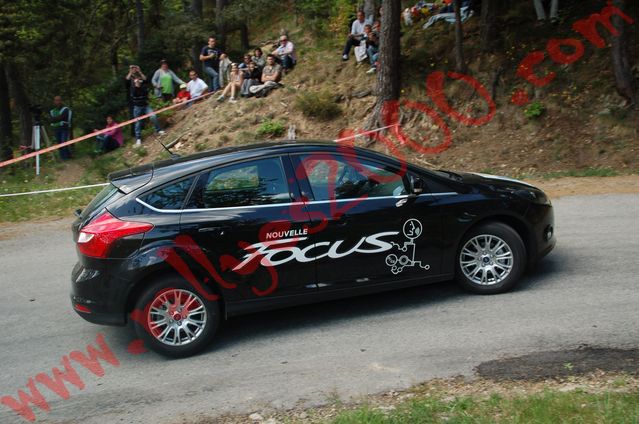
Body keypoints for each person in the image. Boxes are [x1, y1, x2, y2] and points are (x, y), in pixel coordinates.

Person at [130, 78, 165, 145]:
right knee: (138, 122)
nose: (138, 82)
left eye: (139, 81)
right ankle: (138, 138)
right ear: (134, 82)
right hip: (137, 107)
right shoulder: (132, 88)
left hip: (146, 106)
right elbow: (133, 94)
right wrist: (136, 86)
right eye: (136, 81)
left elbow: (146, 94)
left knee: (153, 116)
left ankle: (158, 130)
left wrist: (140, 85)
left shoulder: (143, 87)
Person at [125, 65, 146, 137]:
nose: (134, 69)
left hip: (140, 99)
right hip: (131, 100)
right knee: (133, 116)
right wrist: (130, 72)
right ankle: (134, 133)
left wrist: (140, 72)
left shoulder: (138, 76)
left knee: (142, 114)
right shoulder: (129, 77)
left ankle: (142, 129)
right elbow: (126, 80)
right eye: (132, 68)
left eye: (135, 68)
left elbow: (145, 79)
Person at [49, 95, 73, 160]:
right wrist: (58, 119)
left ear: (61, 101)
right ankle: (65, 157)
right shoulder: (52, 111)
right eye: (56, 100)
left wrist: (56, 119)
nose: (57, 102)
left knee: (63, 142)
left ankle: (66, 158)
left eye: (58, 100)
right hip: (56, 129)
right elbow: (51, 119)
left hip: (64, 128)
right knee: (59, 143)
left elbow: (62, 118)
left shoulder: (65, 109)